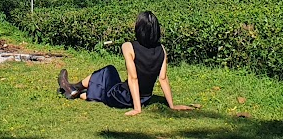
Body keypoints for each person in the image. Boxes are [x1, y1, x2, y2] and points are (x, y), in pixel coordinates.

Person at [58, 11, 193, 116]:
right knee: (105, 88)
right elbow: (163, 79)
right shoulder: (161, 49)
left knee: (108, 70)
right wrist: (172, 105)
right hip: (144, 99)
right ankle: (76, 91)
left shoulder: (128, 46)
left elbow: (133, 78)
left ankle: (75, 87)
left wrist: (137, 109)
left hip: (123, 97)